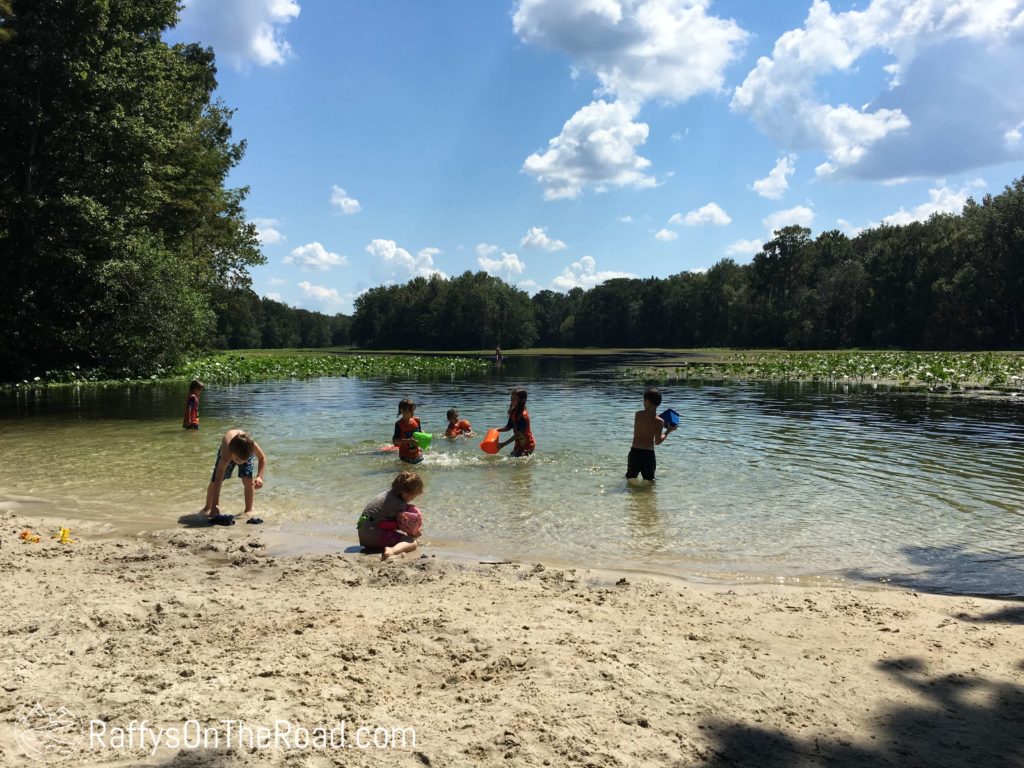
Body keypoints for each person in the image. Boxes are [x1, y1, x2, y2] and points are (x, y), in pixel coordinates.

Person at [201, 429, 267, 524]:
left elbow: (262, 457)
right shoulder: (226, 455)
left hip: (244, 451)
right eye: (238, 460)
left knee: (248, 480)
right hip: (230, 452)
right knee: (215, 481)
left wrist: (259, 476)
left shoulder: (251, 447)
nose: (240, 462)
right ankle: (208, 507)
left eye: (243, 460)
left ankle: (249, 509)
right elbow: (218, 480)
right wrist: (215, 505)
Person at [357, 471, 424, 561]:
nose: (412, 499)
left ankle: (384, 545)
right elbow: (404, 526)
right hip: (373, 535)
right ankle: (392, 551)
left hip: (363, 532)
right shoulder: (399, 504)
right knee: (412, 543)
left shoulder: (387, 495)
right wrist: (414, 532)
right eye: (413, 497)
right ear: (405, 494)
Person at [626, 387, 676, 483]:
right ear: (659, 403)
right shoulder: (660, 422)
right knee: (650, 481)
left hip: (635, 453)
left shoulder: (638, 415)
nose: (643, 403)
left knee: (630, 478)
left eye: (644, 401)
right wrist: (668, 431)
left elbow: (647, 420)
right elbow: (657, 441)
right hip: (648, 455)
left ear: (647, 401)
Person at [496, 388, 535, 457]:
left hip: (528, 445)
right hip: (518, 444)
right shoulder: (513, 412)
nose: (512, 401)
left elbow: (518, 434)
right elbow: (508, 428)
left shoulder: (523, 416)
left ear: (522, 400)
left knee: (519, 464)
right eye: (511, 399)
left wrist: (503, 444)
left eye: (515, 399)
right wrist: (496, 430)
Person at [393, 398, 424, 464]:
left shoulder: (417, 420)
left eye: (413, 410)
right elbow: (396, 441)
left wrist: (424, 434)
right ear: (402, 411)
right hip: (405, 458)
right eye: (410, 410)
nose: (413, 412)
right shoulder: (399, 424)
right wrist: (409, 441)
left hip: (418, 454)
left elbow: (420, 431)